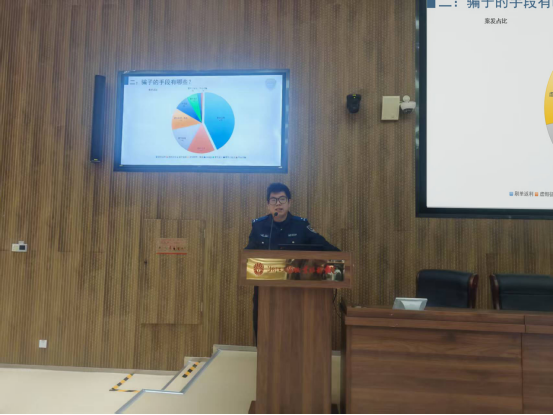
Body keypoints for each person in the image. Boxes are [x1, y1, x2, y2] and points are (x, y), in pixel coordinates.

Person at [244, 183, 340, 341]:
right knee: (264, 333)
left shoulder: (301, 225)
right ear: (268, 204)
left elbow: (322, 245)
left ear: (290, 202)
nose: (278, 204)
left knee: (294, 332)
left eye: (282, 199)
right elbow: (248, 255)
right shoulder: (259, 226)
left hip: (295, 292)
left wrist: (340, 259)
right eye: (274, 200)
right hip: (266, 291)